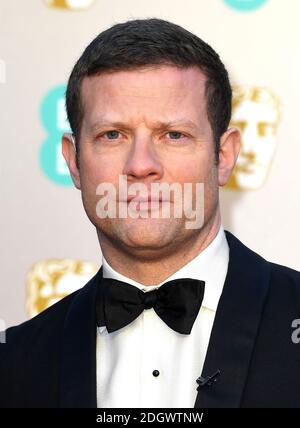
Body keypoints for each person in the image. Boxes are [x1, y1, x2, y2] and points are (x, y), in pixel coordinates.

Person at [1, 18, 300, 408]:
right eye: (112, 135)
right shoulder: (16, 362)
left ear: (223, 157)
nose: (141, 165)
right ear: (74, 162)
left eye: (174, 135)